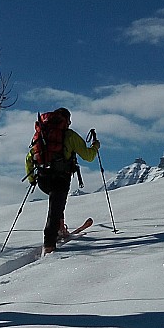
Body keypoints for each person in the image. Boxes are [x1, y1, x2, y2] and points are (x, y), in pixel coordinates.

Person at [25, 107, 99, 254]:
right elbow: (88, 156)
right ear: (66, 120)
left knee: (57, 204)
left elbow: (29, 158)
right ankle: (49, 244)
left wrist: (32, 179)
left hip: (42, 179)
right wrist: (95, 146)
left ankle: (59, 228)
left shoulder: (41, 134)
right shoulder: (69, 135)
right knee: (55, 208)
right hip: (60, 178)